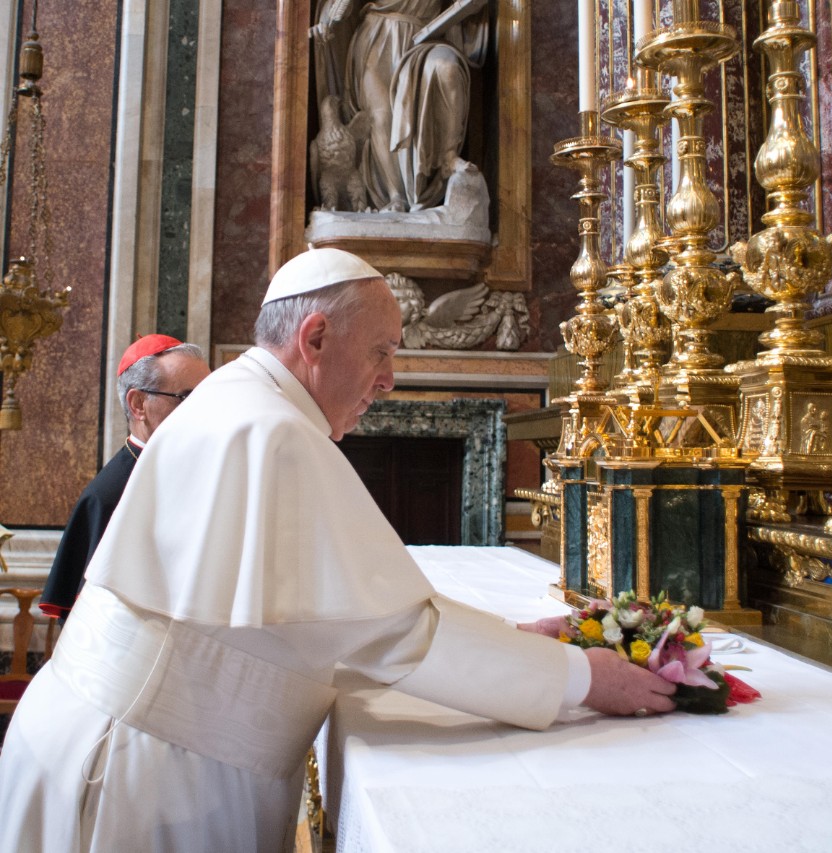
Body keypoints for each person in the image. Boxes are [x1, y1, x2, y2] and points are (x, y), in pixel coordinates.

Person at [0, 247, 674, 852]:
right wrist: (582, 678)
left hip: (131, 748)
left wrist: (513, 636)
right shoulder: (270, 430)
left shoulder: (245, 406)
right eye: (382, 350)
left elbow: (309, 626)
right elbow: (394, 635)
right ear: (315, 337)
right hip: (136, 780)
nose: (390, 379)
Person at [39, 335, 211, 620]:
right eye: (187, 397)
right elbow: (92, 623)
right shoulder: (108, 496)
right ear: (138, 404)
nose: (204, 409)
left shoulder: (198, 471)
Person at [311, 0, 488, 212]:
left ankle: (448, 157)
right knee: (380, 116)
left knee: (447, 69)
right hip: (377, 37)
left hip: (426, 37)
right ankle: (395, 197)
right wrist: (331, 16)